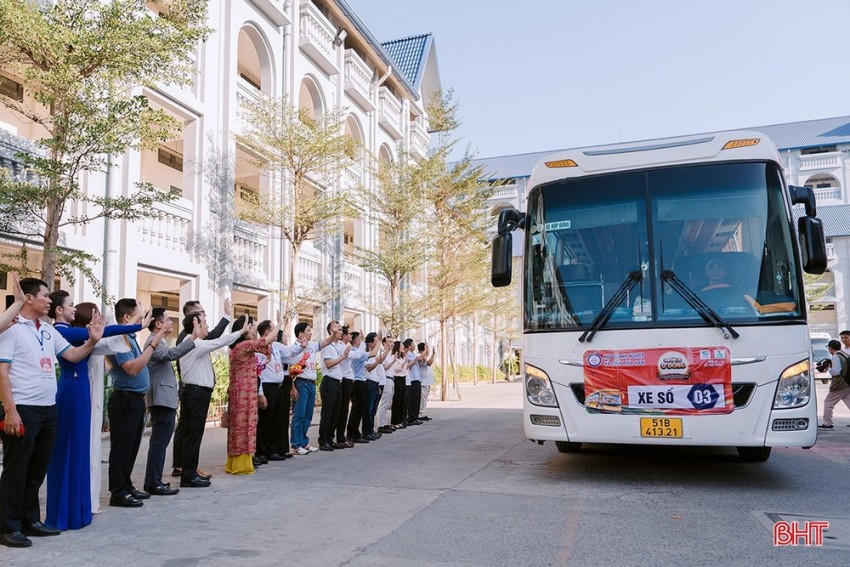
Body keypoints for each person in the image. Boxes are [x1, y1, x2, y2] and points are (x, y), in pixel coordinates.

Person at [0, 278, 104, 548]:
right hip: (23, 408)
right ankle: (7, 526)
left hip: (49, 408)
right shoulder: (11, 329)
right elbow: (3, 372)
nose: (50, 300)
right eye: (45, 296)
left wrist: (92, 341)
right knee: (16, 469)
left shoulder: (47, 331)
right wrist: (10, 410)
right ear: (29, 299)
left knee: (36, 469)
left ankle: (30, 520)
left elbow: (72, 356)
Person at [45, 290, 144, 530]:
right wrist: (138, 326)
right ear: (59, 310)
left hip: (79, 389)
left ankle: (77, 509)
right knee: (69, 448)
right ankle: (64, 512)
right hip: (71, 391)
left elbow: (100, 338)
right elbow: (102, 335)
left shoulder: (70, 332)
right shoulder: (61, 331)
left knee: (79, 449)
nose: (73, 308)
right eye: (70, 305)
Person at [106, 298, 168, 508]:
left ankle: (126, 485)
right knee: (122, 448)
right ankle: (118, 492)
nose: (144, 318)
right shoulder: (117, 337)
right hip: (124, 400)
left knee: (131, 447)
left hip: (134, 400)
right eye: (140, 314)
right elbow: (132, 368)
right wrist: (153, 344)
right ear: (126, 317)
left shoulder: (129, 337)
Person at [70, 303, 131, 515]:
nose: (99, 318)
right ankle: (85, 500)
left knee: (93, 451)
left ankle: (90, 499)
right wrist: (133, 322)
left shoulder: (93, 342)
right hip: (84, 398)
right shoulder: (84, 341)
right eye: (95, 314)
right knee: (87, 451)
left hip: (93, 399)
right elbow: (116, 343)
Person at [175, 309, 247, 487]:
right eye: (204, 323)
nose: (206, 326)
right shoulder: (193, 343)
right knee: (193, 435)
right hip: (195, 394)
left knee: (194, 435)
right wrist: (240, 331)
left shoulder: (194, 343)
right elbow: (219, 341)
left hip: (197, 394)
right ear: (195, 326)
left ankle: (190, 472)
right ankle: (189, 475)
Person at [172, 297, 232, 479]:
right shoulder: (187, 337)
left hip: (193, 389)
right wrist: (227, 316)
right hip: (191, 389)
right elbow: (213, 337)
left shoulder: (191, 336)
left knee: (187, 428)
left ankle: (185, 465)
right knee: (187, 429)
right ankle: (183, 467)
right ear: (193, 317)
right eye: (201, 313)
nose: (205, 316)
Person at [144, 309, 202, 496]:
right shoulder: (153, 341)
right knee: (159, 443)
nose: (171, 322)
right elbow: (172, 354)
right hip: (161, 399)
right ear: (158, 324)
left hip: (164, 398)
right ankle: (153, 482)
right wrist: (192, 337)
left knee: (160, 443)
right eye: (167, 320)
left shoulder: (158, 341)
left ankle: (155, 480)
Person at [225, 315, 280, 474]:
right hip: (244, 394)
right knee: (244, 427)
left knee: (240, 427)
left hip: (244, 392)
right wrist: (280, 323)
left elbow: (259, 360)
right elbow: (265, 341)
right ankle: (241, 464)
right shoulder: (244, 345)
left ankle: (237, 461)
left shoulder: (239, 347)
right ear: (244, 330)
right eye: (253, 327)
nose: (255, 330)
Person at [255, 320, 306, 462]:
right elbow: (258, 372)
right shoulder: (260, 347)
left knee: (275, 420)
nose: (277, 333)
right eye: (274, 329)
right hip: (267, 387)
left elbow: (289, 352)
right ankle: (261, 451)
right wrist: (260, 393)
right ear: (267, 332)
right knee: (265, 421)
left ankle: (271, 450)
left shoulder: (276, 345)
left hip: (278, 387)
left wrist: (301, 347)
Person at [287, 322, 335, 455]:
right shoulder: (294, 348)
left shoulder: (312, 345)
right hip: (300, 383)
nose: (310, 332)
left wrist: (334, 334)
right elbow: (290, 368)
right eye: (308, 330)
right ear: (300, 333)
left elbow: (325, 342)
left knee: (308, 415)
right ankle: (295, 445)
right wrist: (292, 387)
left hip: (311, 383)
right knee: (299, 415)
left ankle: (304, 442)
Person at [319, 321, 348, 451]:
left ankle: (330, 439)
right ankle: (323, 440)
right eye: (338, 328)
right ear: (331, 330)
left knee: (336, 413)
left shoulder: (339, 345)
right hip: (329, 382)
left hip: (338, 383)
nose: (341, 331)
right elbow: (329, 363)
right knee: (328, 413)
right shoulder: (327, 345)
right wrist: (342, 357)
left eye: (341, 329)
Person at [346, 331, 378, 444]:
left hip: (359, 382)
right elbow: (373, 353)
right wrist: (379, 340)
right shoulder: (355, 352)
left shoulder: (356, 351)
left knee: (358, 410)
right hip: (358, 383)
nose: (361, 341)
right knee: (357, 410)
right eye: (359, 339)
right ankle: (352, 434)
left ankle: (353, 433)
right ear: (355, 340)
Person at [818, 339, 850, 429]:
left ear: (831, 348)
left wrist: (828, 368)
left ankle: (828, 423)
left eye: (829, 348)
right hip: (848, 383)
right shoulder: (845, 354)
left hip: (840, 384)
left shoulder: (836, 357)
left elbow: (836, 372)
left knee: (828, 402)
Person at [362, 332, 388, 440]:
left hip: (375, 383)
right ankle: (366, 432)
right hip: (368, 384)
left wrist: (387, 349)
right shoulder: (366, 354)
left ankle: (371, 430)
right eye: (376, 341)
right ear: (370, 343)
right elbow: (369, 368)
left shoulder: (374, 355)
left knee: (373, 409)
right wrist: (376, 362)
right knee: (368, 409)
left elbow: (379, 362)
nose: (377, 344)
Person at [334, 326, 355, 449]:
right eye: (350, 334)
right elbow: (357, 355)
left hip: (347, 380)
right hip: (344, 380)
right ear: (344, 336)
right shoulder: (342, 347)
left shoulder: (345, 347)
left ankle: (341, 437)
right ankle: (340, 438)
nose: (351, 336)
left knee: (344, 410)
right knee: (342, 411)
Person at [376, 336, 396, 434]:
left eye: (393, 342)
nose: (392, 344)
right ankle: (380, 425)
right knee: (383, 404)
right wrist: (393, 361)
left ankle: (384, 424)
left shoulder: (390, 354)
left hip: (391, 379)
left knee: (388, 403)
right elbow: (385, 368)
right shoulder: (382, 353)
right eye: (389, 342)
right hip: (386, 380)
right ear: (384, 343)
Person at [388, 341, 407, 429]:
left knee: (402, 400)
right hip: (397, 379)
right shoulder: (394, 357)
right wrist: (404, 363)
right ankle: (394, 421)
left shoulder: (402, 357)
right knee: (397, 401)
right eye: (402, 346)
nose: (403, 347)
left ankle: (400, 420)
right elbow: (396, 369)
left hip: (403, 378)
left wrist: (404, 361)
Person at [404, 339, 423, 426]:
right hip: (412, 379)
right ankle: (411, 418)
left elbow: (419, 360)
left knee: (417, 399)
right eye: (412, 344)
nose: (414, 345)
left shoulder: (413, 354)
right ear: (408, 346)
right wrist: (425, 351)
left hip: (417, 378)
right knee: (413, 400)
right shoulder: (408, 354)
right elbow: (412, 362)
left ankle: (415, 417)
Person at [418, 343, 436, 421]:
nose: (428, 349)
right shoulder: (420, 356)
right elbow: (429, 363)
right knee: (422, 399)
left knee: (424, 399)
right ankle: (420, 414)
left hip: (427, 382)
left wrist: (432, 354)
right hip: (423, 382)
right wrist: (433, 354)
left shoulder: (424, 356)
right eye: (427, 348)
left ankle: (423, 413)